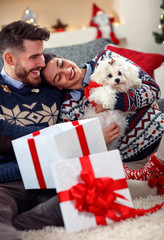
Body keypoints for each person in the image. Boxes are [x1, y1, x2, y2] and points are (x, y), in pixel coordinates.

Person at [41, 52, 164, 194]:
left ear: (63, 58)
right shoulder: (67, 110)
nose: (66, 71)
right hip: (133, 164)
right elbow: (75, 152)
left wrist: (114, 102)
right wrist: (99, 141)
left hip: (160, 139)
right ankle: (155, 183)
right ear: (58, 87)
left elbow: (153, 90)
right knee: (102, 189)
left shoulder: (105, 59)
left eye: (61, 64)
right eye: (58, 77)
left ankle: (157, 171)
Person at [0, 20, 67, 240]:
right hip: (7, 182)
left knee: (92, 195)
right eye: (33, 57)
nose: (42, 62)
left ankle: (19, 221)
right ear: (9, 58)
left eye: (43, 54)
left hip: (51, 177)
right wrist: (51, 134)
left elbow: (89, 75)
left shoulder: (51, 77)